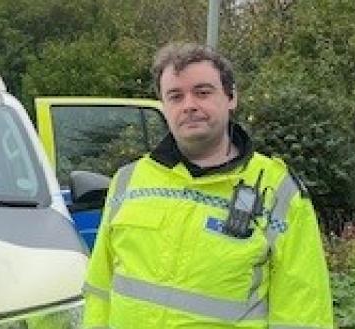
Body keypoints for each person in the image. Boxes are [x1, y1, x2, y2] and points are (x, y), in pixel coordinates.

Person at [83, 43, 333, 328]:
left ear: (231, 97)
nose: (189, 105)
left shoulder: (277, 191)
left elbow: (303, 312)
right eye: (175, 96)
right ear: (164, 106)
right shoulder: (129, 179)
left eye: (202, 92)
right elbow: (99, 286)